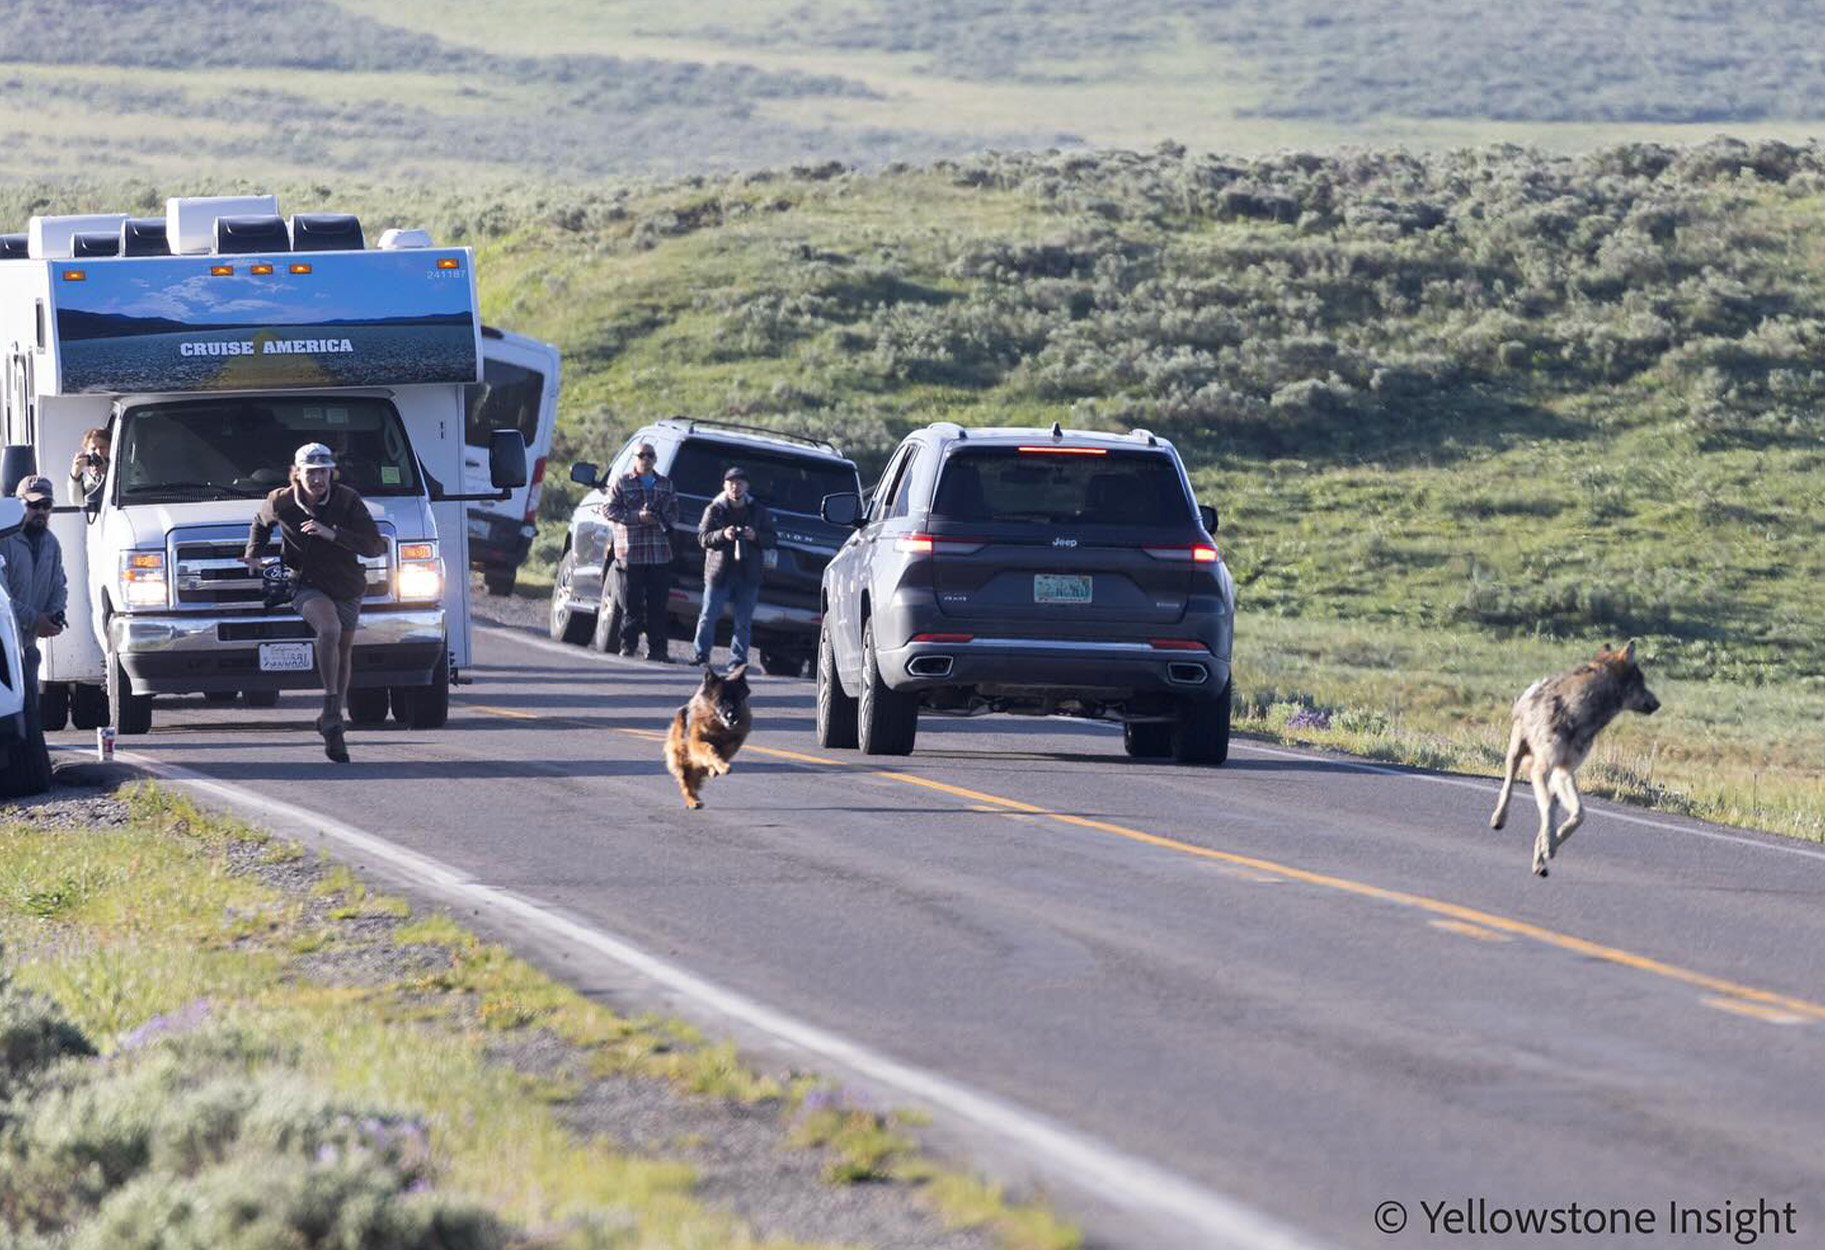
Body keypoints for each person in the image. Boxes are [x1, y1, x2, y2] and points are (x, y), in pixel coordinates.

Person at [243, 443, 386, 764]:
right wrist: (253, 553)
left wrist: (333, 533)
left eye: (323, 472)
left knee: (343, 651)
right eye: (310, 473)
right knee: (329, 630)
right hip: (305, 584)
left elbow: (375, 546)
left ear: (331, 473)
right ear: (297, 474)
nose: (318, 479)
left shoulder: (347, 500)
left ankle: (330, 717)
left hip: (347, 585)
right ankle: (333, 715)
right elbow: (260, 522)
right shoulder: (280, 501)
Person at [690, 465, 775, 667]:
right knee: (708, 616)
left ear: (747, 486)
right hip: (719, 574)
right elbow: (703, 538)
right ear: (724, 486)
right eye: (731, 483)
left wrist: (755, 536)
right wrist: (723, 534)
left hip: (748, 575)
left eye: (739, 483)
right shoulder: (715, 509)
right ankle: (701, 656)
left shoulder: (758, 511)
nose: (735, 487)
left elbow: (772, 539)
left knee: (743, 622)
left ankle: (738, 661)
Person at [601, 441, 679, 660]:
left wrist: (660, 519)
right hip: (631, 553)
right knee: (632, 604)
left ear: (655, 459)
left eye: (650, 455)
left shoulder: (666, 485)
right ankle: (628, 646)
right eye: (641, 455)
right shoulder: (622, 482)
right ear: (634, 458)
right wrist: (637, 517)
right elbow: (608, 509)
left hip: (659, 554)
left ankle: (658, 650)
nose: (646, 459)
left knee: (658, 606)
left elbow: (674, 512)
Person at [2, 477, 67, 732]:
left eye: (46, 505)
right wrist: (34, 619)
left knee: (30, 718)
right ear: (17, 506)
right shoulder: (4, 541)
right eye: (33, 505)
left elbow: (59, 584)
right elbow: (2, 599)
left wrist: (54, 614)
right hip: (4, 647)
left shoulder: (51, 543)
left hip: (28, 646)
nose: (40, 511)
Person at [66, 427, 110, 508]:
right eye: (94, 449)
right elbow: (78, 501)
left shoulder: (125, 468)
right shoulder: (92, 482)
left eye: (102, 447)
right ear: (87, 453)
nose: (99, 452)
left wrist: (107, 473)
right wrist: (75, 474)